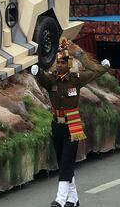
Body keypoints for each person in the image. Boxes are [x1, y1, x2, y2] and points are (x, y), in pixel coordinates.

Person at [31, 39, 109, 207]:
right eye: (57, 62)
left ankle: (60, 199)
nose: (58, 65)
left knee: (66, 162)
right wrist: (36, 72)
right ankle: (73, 199)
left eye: (62, 62)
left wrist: (105, 67)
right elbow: (42, 77)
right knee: (63, 163)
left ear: (68, 64)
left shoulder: (76, 79)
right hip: (56, 125)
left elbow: (93, 73)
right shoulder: (52, 80)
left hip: (73, 125)